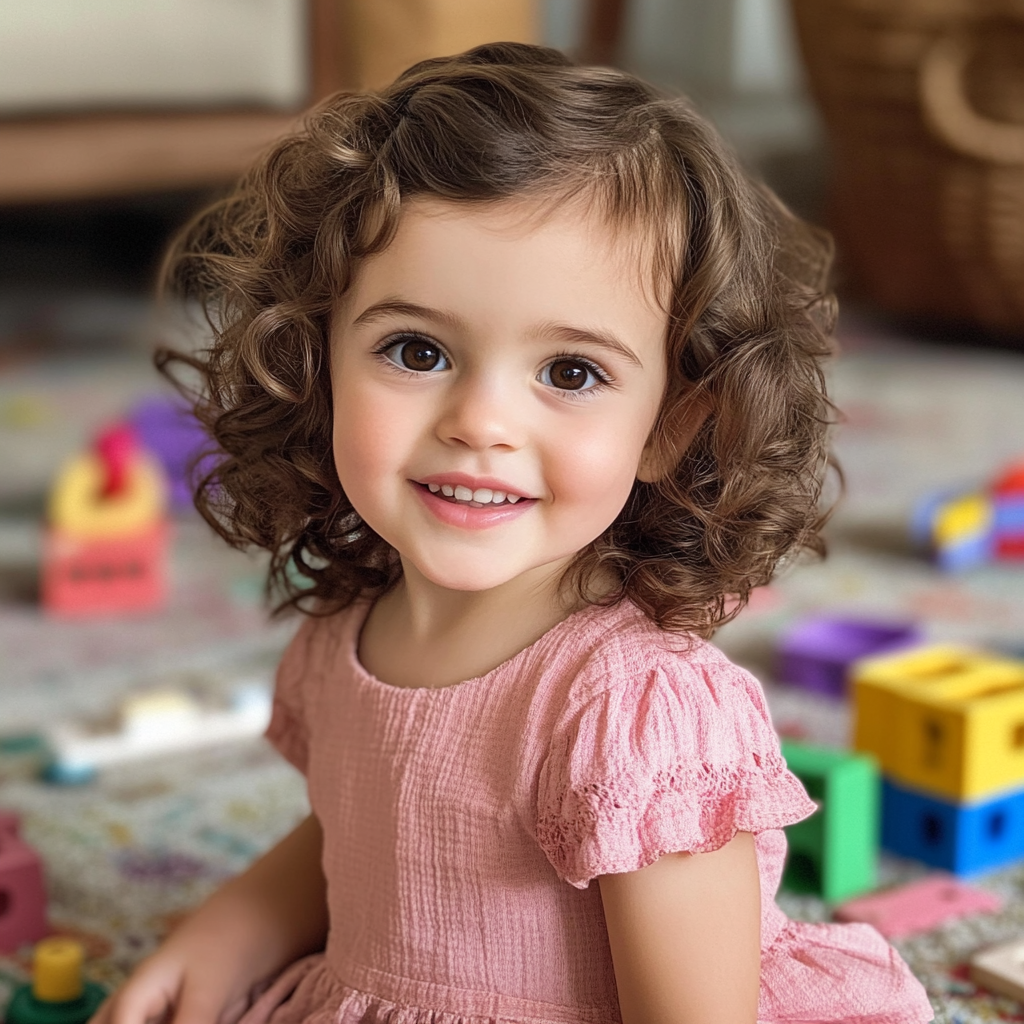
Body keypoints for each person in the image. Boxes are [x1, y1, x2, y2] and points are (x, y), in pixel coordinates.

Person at [92, 43, 934, 1024]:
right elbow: (368, 833)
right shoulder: (344, 639)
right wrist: (231, 926)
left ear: (668, 426)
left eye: (570, 372)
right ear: (318, 365)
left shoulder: (637, 710)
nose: (479, 423)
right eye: (417, 350)